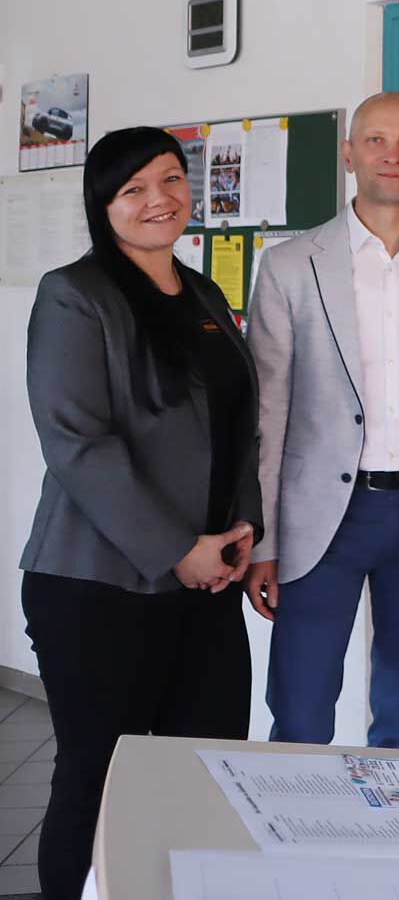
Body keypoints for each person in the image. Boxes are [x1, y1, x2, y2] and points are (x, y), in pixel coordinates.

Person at [19, 127, 262, 900]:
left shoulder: (204, 293)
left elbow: (239, 425)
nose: (159, 199)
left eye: (170, 179)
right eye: (133, 188)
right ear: (104, 204)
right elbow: (77, 442)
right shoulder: (75, 294)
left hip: (207, 586)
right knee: (99, 778)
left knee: (207, 770)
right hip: (99, 588)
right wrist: (177, 548)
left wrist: (244, 529)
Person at [243, 93, 399, 746]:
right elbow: (268, 412)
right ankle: (294, 811)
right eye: (375, 140)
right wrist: (264, 542)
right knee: (302, 706)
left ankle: (398, 810)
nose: (391, 155)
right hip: (319, 516)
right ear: (349, 154)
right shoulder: (290, 265)